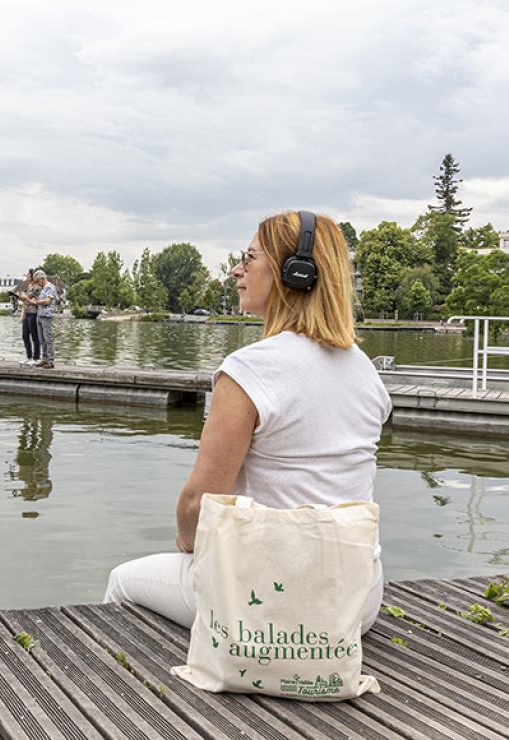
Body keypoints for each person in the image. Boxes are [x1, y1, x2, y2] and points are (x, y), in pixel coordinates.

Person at [103, 210, 391, 633]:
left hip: (275, 599)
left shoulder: (250, 370)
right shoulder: (365, 369)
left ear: (293, 274)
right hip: (356, 600)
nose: (237, 270)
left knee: (123, 583)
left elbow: (199, 503)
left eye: (249, 258)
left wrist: (187, 545)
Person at [31, 269, 58, 368]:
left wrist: (36, 302)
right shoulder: (43, 289)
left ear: (42, 279)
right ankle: (44, 359)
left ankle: (50, 361)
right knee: (42, 340)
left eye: (38, 281)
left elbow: (47, 301)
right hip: (40, 315)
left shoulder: (50, 287)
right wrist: (35, 300)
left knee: (48, 339)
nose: (38, 284)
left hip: (47, 316)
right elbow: (42, 300)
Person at [19, 269, 41, 365]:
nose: (27, 276)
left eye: (28, 275)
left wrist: (26, 298)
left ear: (32, 276)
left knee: (34, 336)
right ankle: (29, 357)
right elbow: (26, 300)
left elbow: (35, 300)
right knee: (25, 335)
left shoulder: (38, 287)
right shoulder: (29, 286)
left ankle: (36, 358)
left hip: (34, 313)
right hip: (27, 313)